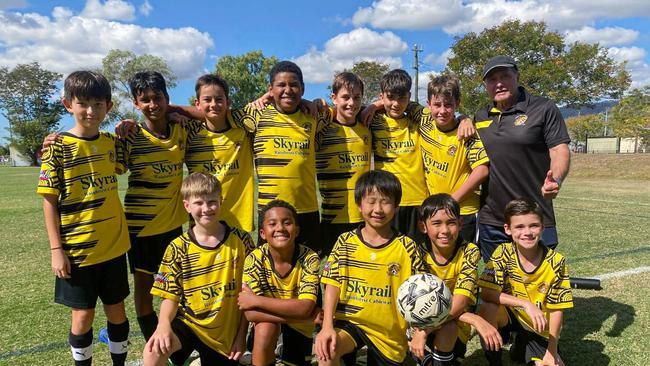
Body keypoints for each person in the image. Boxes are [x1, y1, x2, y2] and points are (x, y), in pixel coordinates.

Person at [37, 70, 130, 365]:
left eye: (98, 104)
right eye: (83, 104)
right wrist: (56, 251)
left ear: (108, 107)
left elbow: (126, 162)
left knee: (117, 312)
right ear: (68, 104)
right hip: (77, 251)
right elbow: (49, 201)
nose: (91, 111)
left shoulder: (109, 144)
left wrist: (128, 128)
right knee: (83, 316)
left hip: (114, 247)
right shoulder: (58, 148)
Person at [315, 170, 428, 366]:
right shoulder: (345, 242)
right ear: (359, 204)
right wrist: (327, 327)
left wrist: (420, 332)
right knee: (328, 349)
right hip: (351, 322)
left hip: (388, 333)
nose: (378, 209)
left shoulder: (408, 248)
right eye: (371, 201)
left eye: (385, 201)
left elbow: (422, 295)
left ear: (396, 206)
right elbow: (332, 284)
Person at [143, 172, 253, 366]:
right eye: (199, 203)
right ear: (187, 206)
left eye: (212, 202)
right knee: (153, 352)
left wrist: (241, 335)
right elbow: (170, 296)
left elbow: (248, 294)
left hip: (225, 334)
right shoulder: (177, 247)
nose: (206, 209)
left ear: (221, 201)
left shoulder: (241, 241)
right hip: (189, 324)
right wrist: (163, 325)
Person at [122, 71, 199, 341]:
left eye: (158, 98)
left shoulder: (181, 129)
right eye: (145, 100)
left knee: (175, 287)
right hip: (140, 227)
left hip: (173, 225)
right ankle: (152, 346)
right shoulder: (130, 135)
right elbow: (112, 163)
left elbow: (204, 113)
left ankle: (175, 344)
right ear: (136, 103)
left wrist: (175, 112)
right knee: (144, 288)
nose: (152, 105)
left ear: (168, 98)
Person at [475, 55, 571, 261]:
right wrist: (464, 119)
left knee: (537, 287)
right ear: (485, 85)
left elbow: (559, 149)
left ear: (517, 76)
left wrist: (557, 179)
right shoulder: (480, 117)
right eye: (492, 80)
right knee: (497, 287)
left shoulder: (543, 108)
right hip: (493, 220)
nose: (499, 83)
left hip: (534, 217)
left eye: (505, 76)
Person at [478, 198, 573, 366]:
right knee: (487, 309)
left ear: (543, 228)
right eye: (520, 227)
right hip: (511, 316)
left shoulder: (556, 262)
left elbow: (557, 310)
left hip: (538, 327)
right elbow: (486, 293)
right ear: (508, 229)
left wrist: (551, 351)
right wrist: (525, 304)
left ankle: (523, 344)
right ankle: (495, 362)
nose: (527, 232)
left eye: (534, 225)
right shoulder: (503, 252)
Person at [409, 194, 501, 366]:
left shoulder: (469, 252)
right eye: (436, 223)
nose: (444, 230)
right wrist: (475, 319)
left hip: (455, 322)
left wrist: (426, 330)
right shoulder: (416, 254)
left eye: (451, 222)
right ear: (423, 226)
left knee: (449, 328)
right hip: (420, 324)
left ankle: (435, 360)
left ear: (460, 224)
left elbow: (459, 302)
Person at [239, 199, 321, 366]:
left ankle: (284, 348)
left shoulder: (309, 258)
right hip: (284, 322)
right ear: (262, 233)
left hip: (300, 328)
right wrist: (303, 317)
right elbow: (250, 314)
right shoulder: (254, 259)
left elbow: (305, 307)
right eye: (272, 223)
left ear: (297, 230)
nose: (280, 228)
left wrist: (257, 301)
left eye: (287, 223)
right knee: (265, 329)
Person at [419, 75, 490, 243]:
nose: (442, 111)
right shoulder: (423, 121)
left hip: (463, 212)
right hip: (433, 211)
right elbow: (397, 101)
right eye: (437, 105)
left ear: (457, 104)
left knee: (464, 263)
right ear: (428, 104)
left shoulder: (467, 134)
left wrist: (451, 202)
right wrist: (374, 106)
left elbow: (482, 170)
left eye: (448, 105)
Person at [185, 74, 255, 232]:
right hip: (203, 221)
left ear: (228, 102)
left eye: (219, 99)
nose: (214, 104)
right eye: (207, 99)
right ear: (197, 103)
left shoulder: (244, 131)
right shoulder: (189, 135)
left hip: (239, 222)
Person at [369, 69, 429, 243]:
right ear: (382, 96)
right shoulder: (373, 120)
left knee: (417, 258)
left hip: (417, 201)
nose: (396, 103)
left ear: (409, 97)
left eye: (402, 98)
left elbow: (446, 115)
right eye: (390, 97)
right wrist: (374, 107)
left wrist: (464, 118)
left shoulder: (417, 120)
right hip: (387, 202)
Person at [316, 71, 371, 256]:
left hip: (364, 215)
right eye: (345, 97)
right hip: (333, 217)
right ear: (334, 98)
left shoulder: (367, 126)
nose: (352, 103)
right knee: (334, 275)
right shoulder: (322, 128)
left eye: (357, 98)